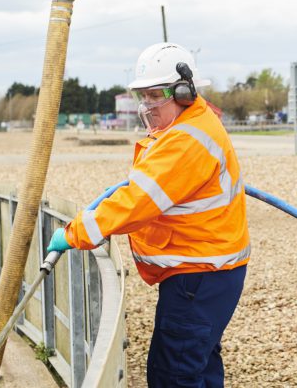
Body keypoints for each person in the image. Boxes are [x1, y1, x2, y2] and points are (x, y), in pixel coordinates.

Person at [46, 42, 250, 387]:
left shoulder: (186, 140)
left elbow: (135, 202)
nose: (147, 106)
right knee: (200, 365)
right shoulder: (190, 126)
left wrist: (73, 233)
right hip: (210, 271)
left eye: (155, 95)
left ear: (184, 92)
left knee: (173, 375)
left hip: (197, 275)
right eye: (143, 96)